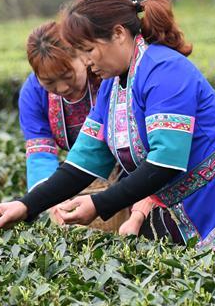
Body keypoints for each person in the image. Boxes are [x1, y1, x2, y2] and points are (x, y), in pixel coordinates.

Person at [0, 0, 215, 254]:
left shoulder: (164, 69)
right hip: (200, 216)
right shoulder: (112, 86)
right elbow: (82, 163)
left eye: (89, 50)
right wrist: (26, 206)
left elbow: (166, 162)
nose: (88, 62)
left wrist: (99, 204)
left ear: (118, 34)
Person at [20, 20, 151, 233]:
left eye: (67, 75)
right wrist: (50, 203)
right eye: (49, 82)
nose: (61, 87)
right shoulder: (33, 94)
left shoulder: (108, 74)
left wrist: (138, 212)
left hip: (134, 173)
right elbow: (40, 155)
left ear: (81, 56)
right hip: (81, 173)